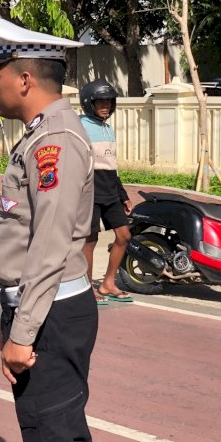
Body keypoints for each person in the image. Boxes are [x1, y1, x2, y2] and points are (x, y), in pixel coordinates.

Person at [0, 18, 99, 442]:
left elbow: (50, 247)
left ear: (24, 79)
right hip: (41, 311)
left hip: (49, 315)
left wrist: (22, 333)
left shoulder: (54, 143)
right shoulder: (39, 135)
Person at [79, 80, 133, 304]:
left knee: (124, 236)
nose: (106, 106)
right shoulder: (79, 125)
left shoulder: (107, 128)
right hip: (89, 192)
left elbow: (112, 166)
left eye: (109, 102)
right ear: (88, 103)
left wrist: (123, 195)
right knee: (89, 241)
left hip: (111, 192)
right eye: (100, 101)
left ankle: (108, 283)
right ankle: (86, 288)